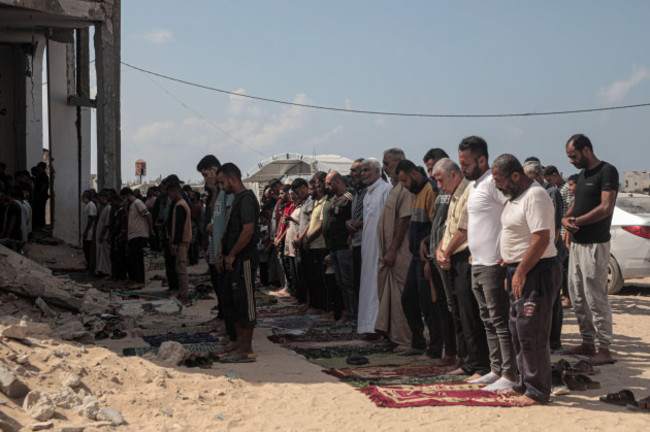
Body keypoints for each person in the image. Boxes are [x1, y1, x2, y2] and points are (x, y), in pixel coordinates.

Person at [492, 153, 561, 406]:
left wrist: (520, 271)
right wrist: (509, 264)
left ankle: (537, 391)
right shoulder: (514, 197)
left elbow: (542, 239)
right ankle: (523, 383)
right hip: (518, 271)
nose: (497, 186)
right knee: (518, 331)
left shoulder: (535, 196)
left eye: (499, 180)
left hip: (537, 272)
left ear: (516, 176)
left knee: (532, 332)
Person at [458, 136, 515, 391]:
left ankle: (509, 374)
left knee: (500, 320)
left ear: (482, 159)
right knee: (487, 320)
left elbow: (511, 213)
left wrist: (506, 250)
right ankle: (495, 369)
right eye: (460, 162)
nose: (463, 168)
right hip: (477, 262)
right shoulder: (474, 185)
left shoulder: (493, 183)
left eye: (466, 163)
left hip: (494, 263)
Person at [562, 134, 618, 365]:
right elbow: (579, 201)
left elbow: (606, 207)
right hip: (576, 244)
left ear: (586, 150)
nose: (571, 161)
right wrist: (566, 219)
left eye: (573, 156)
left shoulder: (607, 171)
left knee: (596, 297)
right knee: (577, 296)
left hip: (595, 245)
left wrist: (578, 222)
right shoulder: (583, 175)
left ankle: (604, 348)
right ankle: (588, 342)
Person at [433, 158, 490, 380]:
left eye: (440, 180)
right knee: (457, 312)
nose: (439, 185)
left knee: (470, 314)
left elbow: (464, 230)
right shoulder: (455, 194)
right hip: (450, 257)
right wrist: (440, 249)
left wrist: (446, 252)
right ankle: (466, 361)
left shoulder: (469, 191)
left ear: (454, 175)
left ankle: (480, 364)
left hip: (464, 257)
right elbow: (449, 228)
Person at [395, 158, 442, 357]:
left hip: (426, 257)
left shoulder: (430, 190)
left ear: (414, 174)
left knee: (429, 304)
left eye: (405, 181)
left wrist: (429, 256)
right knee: (408, 299)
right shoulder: (416, 193)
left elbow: (438, 227)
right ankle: (418, 341)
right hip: (416, 256)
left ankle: (436, 348)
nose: (404, 186)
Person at [216, 163, 260, 363]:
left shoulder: (247, 199)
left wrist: (232, 254)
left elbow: (248, 230)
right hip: (233, 260)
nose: (221, 186)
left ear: (232, 179)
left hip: (244, 260)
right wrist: (223, 251)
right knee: (230, 300)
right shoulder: (237, 200)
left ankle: (246, 349)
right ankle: (238, 342)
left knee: (245, 303)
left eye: (222, 182)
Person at [420, 148, 458, 368]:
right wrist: (426, 242)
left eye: (435, 172)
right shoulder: (441, 192)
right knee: (441, 306)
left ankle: (457, 355)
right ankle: (449, 353)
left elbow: (454, 227)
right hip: (434, 254)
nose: (434, 178)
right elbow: (438, 224)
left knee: (453, 308)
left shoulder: (457, 191)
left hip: (448, 256)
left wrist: (442, 249)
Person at [524, 160, 568, 351]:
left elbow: (556, 227)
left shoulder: (552, 193)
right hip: (538, 253)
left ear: (535, 175)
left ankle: (554, 341)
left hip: (551, 252)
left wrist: (547, 250)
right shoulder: (531, 193)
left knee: (554, 299)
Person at [374, 150, 414, 350]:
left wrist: (392, 249)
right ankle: (390, 335)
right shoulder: (394, 188)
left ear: (400, 163)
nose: (385, 168)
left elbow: (404, 220)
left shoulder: (405, 189)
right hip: (388, 255)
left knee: (400, 297)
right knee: (388, 295)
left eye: (387, 164)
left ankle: (404, 340)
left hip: (399, 253)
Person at [358, 158, 392, 335]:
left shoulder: (386, 190)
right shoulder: (367, 194)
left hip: (381, 246)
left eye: (367, 170)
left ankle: (378, 326)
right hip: (368, 245)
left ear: (378, 171)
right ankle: (368, 326)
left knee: (377, 285)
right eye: (362, 171)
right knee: (368, 283)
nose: (363, 174)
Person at [325, 171, 357, 322]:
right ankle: (348, 312)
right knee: (341, 283)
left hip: (345, 245)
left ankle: (354, 314)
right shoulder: (335, 199)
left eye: (329, 183)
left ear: (337, 182)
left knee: (348, 282)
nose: (327, 187)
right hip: (335, 246)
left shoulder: (348, 196)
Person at [304, 172, 329, 313]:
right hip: (312, 246)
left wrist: (308, 239)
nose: (315, 189)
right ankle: (316, 305)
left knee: (320, 279)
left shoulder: (325, 202)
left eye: (317, 186)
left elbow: (320, 226)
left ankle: (323, 307)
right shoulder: (316, 203)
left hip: (319, 245)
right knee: (313, 278)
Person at [120, 187, 154, 289]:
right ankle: (136, 280)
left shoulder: (138, 203)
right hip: (133, 236)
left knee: (137, 259)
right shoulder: (131, 205)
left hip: (139, 235)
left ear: (127, 196)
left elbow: (148, 215)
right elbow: (129, 218)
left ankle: (140, 281)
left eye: (123, 197)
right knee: (133, 259)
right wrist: (125, 208)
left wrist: (151, 229)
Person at [167, 182, 192, 306]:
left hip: (182, 242)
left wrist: (175, 243)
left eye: (170, 193)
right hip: (181, 241)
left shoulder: (180, 205)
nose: (169, 196)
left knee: (181, 269)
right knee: (179, 268)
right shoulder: (179, 204)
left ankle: (185, 296)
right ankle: (182, 293)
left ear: (176, 191)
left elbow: (179, 227)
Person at [291, 178, 313, 307]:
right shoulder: (304, 202)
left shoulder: (310, 201)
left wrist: (301, 237)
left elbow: (310, 222)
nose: (296, 195)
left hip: (308, 242)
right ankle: (307, 302)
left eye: (297, 191)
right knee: (303, 274)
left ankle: (311, 303)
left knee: (310, 275)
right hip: (301, 242)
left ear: (304, 188)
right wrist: (297, 236)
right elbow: (302, 223)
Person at [346, 158, 366, 298]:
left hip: (367, 242)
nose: (351, 174)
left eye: (354, 170)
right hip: (355, 241)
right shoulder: (356, 194)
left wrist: (359, 224)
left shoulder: (370, 192)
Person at [95, 190, 113, 277]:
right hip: (101, 235)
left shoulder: (108, 208)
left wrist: (102, 235)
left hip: (104, 236)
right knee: (101, 254)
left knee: (105, 256)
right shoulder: (104, 208)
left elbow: (107, 224)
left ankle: (107, 272)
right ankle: (101, 270)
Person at [81, 190, 97, 270]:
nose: (83, 196)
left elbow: (91, 218)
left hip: (89, 233)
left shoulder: (91, 205)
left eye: (85, 195)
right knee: (86, 250)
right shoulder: (87, 205)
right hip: (87, 232)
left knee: (88, 250)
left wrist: (86, 231)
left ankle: (90, 266)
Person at [32, 162, 49, 231]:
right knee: (38, 211)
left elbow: (43, 186)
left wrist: (39, 195)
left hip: (41, 197)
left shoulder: (43, 176)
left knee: (40, 211)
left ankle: (40, 225)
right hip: (39, 196)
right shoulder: (39, 175)